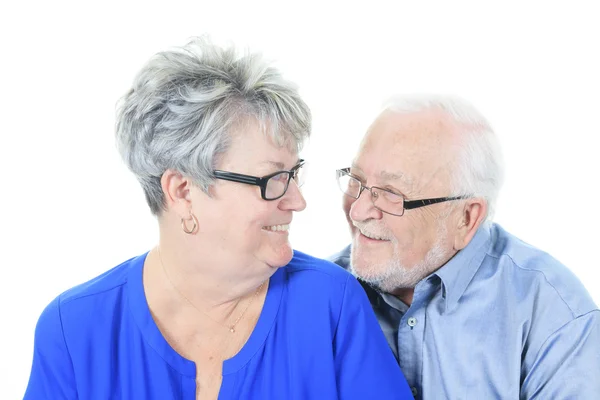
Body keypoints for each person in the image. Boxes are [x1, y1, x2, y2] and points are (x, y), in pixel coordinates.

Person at [24, 38, 412, 399]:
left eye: (294, 174)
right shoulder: (74, 330)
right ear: (182, 191)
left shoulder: (331, 304)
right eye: (273, 179)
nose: (297, 201)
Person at [330, 94, 600, 399]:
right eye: (356, 180)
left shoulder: (553, 315)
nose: (358, 210)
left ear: (466, 218)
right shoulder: (317, 294)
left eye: (392, 193)